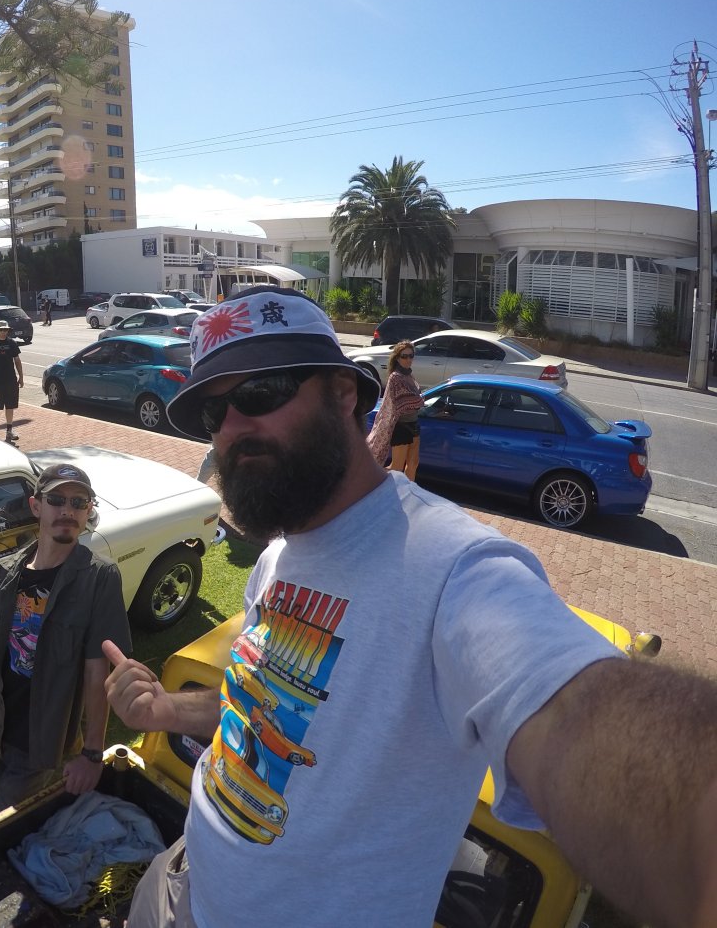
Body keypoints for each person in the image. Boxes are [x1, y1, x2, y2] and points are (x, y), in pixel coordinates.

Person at [103, 286, 717, 928]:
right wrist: (170, 709)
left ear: (345, 395)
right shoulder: (278, 561)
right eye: (212, 414)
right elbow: (255, 708)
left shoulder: (455, 570)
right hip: (184, 890)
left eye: (259, 394)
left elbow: (576, 715)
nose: (231, 429)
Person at [0, 463, 130, 815]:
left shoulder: (100, 578)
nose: (68, 511)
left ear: (89, 511)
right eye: (57, 500)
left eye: (80, 502)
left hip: (41, 742)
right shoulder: (2, 573)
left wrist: (93, 754)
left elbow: (98, 673)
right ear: (36, 506)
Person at [367, 340, 424, 480]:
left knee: (413, 463)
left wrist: (419, 400)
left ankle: (409, 491)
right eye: (404, 356)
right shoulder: (395, 377)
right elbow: (403, 403)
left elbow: (415, 400)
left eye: (411, 356)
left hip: (414, 424)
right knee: (396, 468)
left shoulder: (409, 376)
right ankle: (376, 481)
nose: (408, 359)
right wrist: (420, 400)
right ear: (397, 358)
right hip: (401, 427)